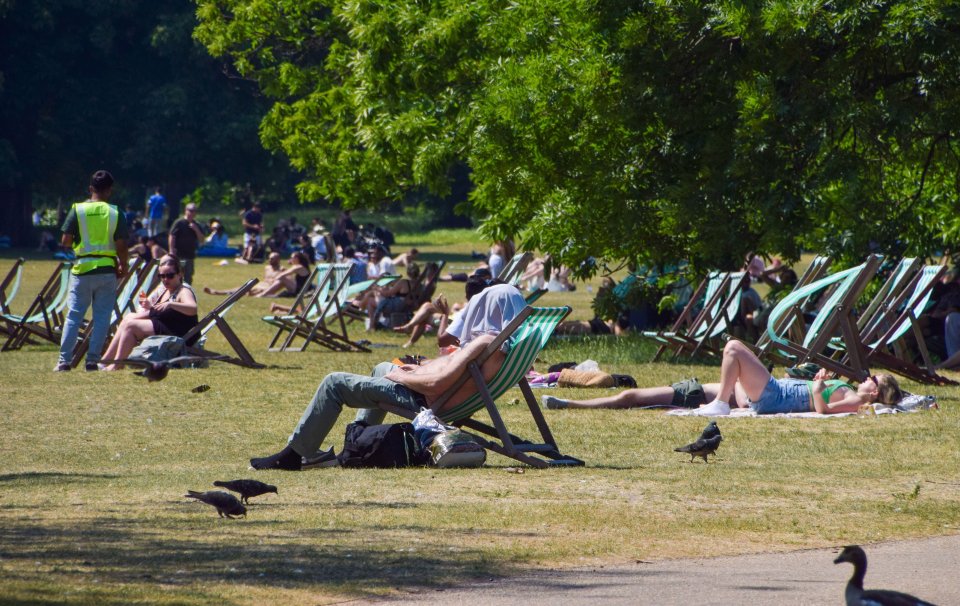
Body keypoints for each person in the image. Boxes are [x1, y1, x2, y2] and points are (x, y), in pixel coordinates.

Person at [249, 278, 527, 471]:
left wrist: (405, 377)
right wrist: (418, 368)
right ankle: (359, 441)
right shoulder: (502, 346)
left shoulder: (483, 343)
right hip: (440, 394)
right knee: (383, 366)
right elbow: (448, 374)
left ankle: (296, 454)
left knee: (334, 382)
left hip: (427, 400)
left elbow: (436, 383)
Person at [542, 339, 903, 415]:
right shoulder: (855, 393)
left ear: (877, 392)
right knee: (649, 395)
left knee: (733, 347)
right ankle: (572, 402)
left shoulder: (858, 401)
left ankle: (718, 404)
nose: (867, 378)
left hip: (771, 396)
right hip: (758, 394)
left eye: (874, 379)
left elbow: (823, 411)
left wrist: (820, 387)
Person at [56, 170, 130, 372]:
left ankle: (64, 361)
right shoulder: (115, 212)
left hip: (82, 269)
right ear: (109, 191)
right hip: (106, 269)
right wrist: (123, 264)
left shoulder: (77, 210)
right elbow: (122, 245)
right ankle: (92, 360)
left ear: (90, 189)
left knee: (74, 316)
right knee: (102, 317)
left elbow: (65, 241)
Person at [101, 255, 198, 370]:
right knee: (128, 318)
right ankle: (105, 361)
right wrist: (150, 306)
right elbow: (161, 311)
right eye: (162, 276)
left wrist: (171, 304)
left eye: (170, 275)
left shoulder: (183, 290)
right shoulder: (166, 290)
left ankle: (117, 365)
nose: (165, 279)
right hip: (166, 325)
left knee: (130, 326)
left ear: (180, 274)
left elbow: (193, 308)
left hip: (179, 331)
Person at [205, 251, 311, 298]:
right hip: (263, 284)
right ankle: (219, 292)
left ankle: (222, 293)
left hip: (269, 287)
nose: (270, 260)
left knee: (248, 290)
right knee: (244, 287)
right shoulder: (267, 268)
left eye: (272, 258)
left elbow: (287, 279)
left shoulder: (285, 269)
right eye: (269, 258)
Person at [354, 263, 420, 331]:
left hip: (397, 306)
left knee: (370, 301)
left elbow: (387, 294)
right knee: (373, 294)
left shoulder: (403, 282)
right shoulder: (419, 285)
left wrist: (377, 289)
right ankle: (361, 306)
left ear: (408, 272)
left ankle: (372, 325)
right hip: (409, 306)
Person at [168, 202, 204, 285]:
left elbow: (201, 240)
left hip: (190, 255)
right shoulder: (179, 223)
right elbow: (172, 235)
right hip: (179, 254)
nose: (192, 213)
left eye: (194, 211)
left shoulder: (197, 224)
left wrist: (196, 229)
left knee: (188, 276)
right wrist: (171, 250)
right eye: (190, 210)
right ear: (185, 211)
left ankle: (186, 293)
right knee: (177, 275)